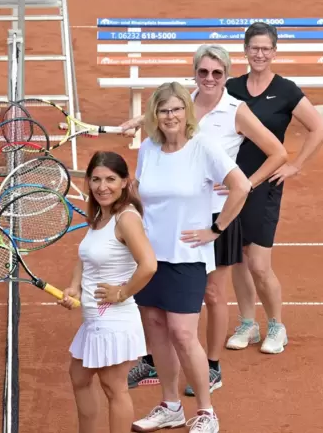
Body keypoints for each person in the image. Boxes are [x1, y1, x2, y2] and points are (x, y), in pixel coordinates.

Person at [120, 44, 288, 396]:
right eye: (203, 72)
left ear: (227, 75)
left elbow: (278, 153)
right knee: (159, 288)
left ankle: (211, 367)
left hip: (216, 215)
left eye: (217, 73)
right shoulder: (184, 100)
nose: (209, 78)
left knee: (212, 293)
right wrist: (139, 121)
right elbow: (163, 115)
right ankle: (155, 360)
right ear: (194, 73)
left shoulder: (235, 110)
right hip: (177, 211)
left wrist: (245, 185)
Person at [129, 82, 251, 433]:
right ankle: (170, 406)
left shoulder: (204, 147)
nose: (170, 116)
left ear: (187, 112)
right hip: (151, 257)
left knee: (183, 334)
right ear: (155, 115)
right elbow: (147, 202)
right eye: (164, 110)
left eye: (177, 109)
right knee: (157, 332)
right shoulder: (148, 149)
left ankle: (206, 411)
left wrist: (216, 228)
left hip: (187, 257)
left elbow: (241, 186)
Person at [224, 22, 323, 354]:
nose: (259, 54)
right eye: (253, 48)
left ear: (274, 52)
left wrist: (295, 165)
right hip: (230, 183)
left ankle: (276, 326)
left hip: (265, 184)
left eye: (265, 48)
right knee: (237, 259)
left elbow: (319, 128)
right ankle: (246, 323)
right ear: (245, 50)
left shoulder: (286, 91)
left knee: (258, 262)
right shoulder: (230, 87)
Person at [58, 151, 157, 433]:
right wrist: (75, 287)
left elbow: (149, 265)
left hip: (113, 319)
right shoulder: (101, 215)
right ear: (88, 181)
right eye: (97, 179)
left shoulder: (126, 218)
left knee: (114, 387)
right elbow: (85, 257)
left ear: (125, 182)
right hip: (95, 319)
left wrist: (122, 293)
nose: (103, 186)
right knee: (79, 376)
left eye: (111, 179)